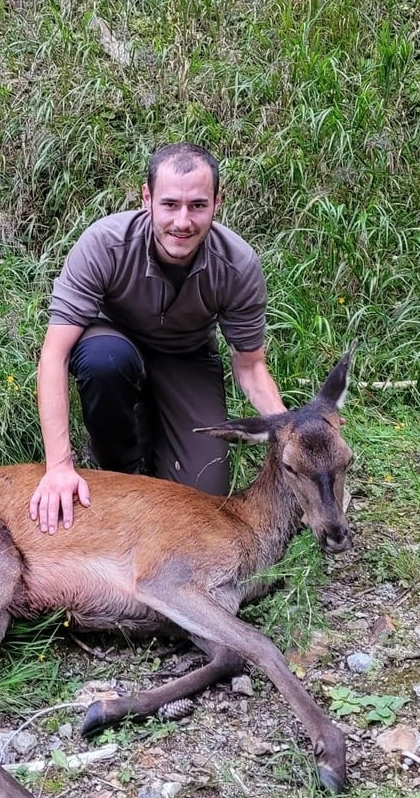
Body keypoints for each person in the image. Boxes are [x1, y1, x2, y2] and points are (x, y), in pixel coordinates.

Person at [28, 142, 286, 534]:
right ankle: (119, 468)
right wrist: (58, 466)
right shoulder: (104, 244)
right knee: (105, 362)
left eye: (197, 206)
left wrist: (288, 430)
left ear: (217, 202)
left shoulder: (237, 264)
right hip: (112, 342)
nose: (182, 221)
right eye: (170, 204)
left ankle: (157, 425)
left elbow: (250, 367)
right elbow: (54, 357)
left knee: (204, 502)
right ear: (147, 198)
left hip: (186, 357)